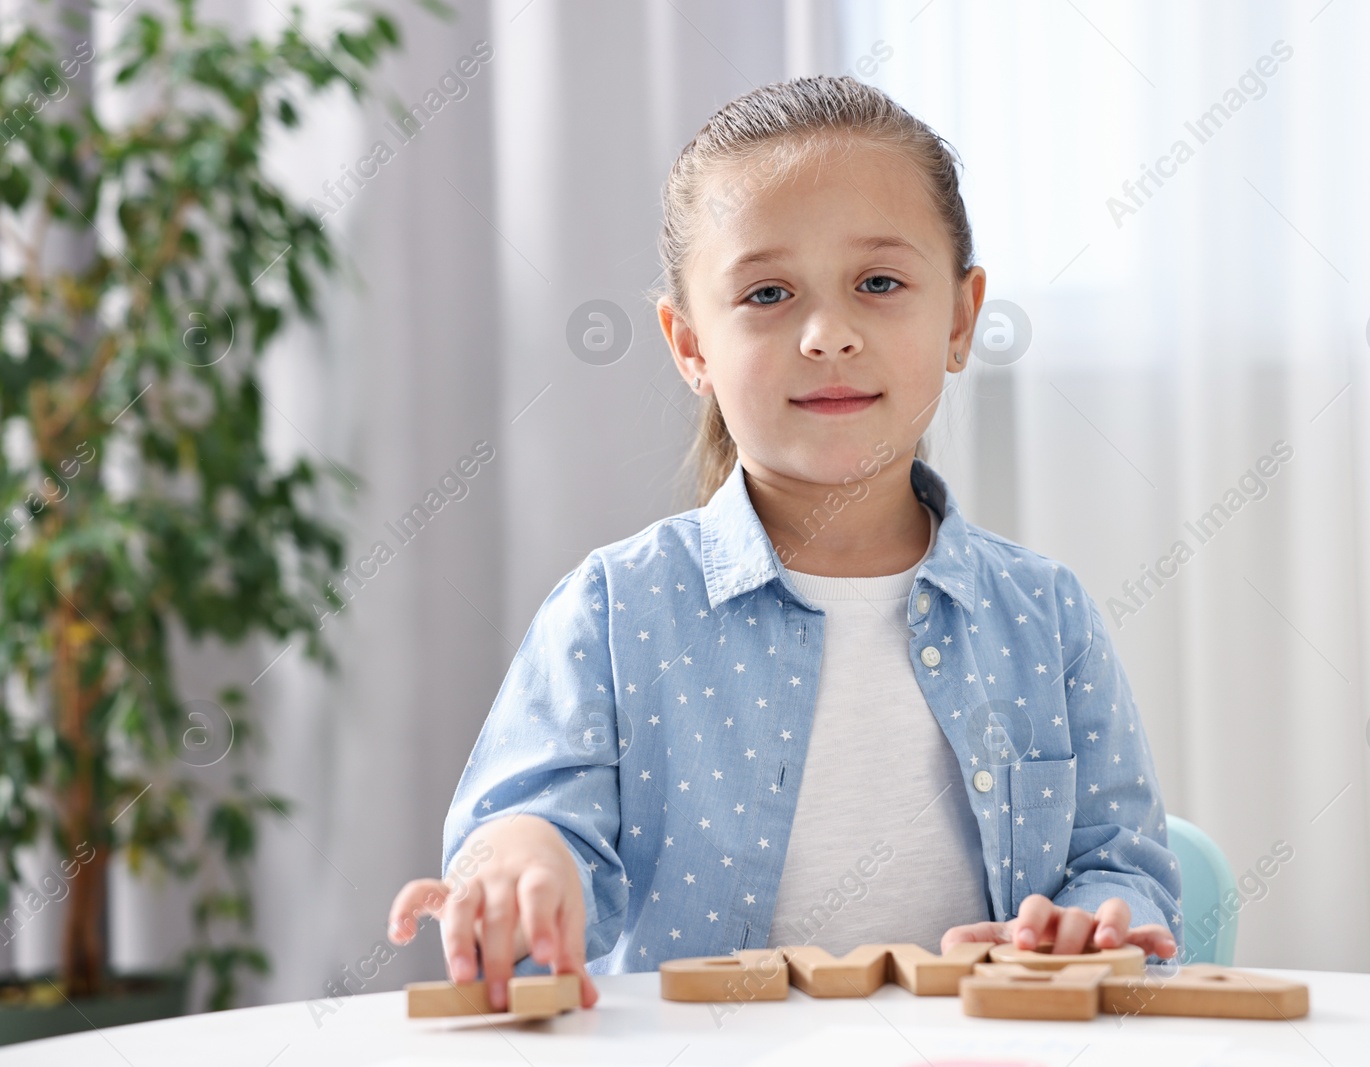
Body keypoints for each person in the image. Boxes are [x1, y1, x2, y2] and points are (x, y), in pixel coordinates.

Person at [388, 74, 1181, 1013]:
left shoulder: (1047, 616)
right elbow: (525, 829)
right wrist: (517, 860)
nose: (828, 334)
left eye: (879, 283)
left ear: (962, 318)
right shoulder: (614, 611)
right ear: (690, 346)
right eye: (767, 293)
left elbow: (1121, 869)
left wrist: (1096, 924)